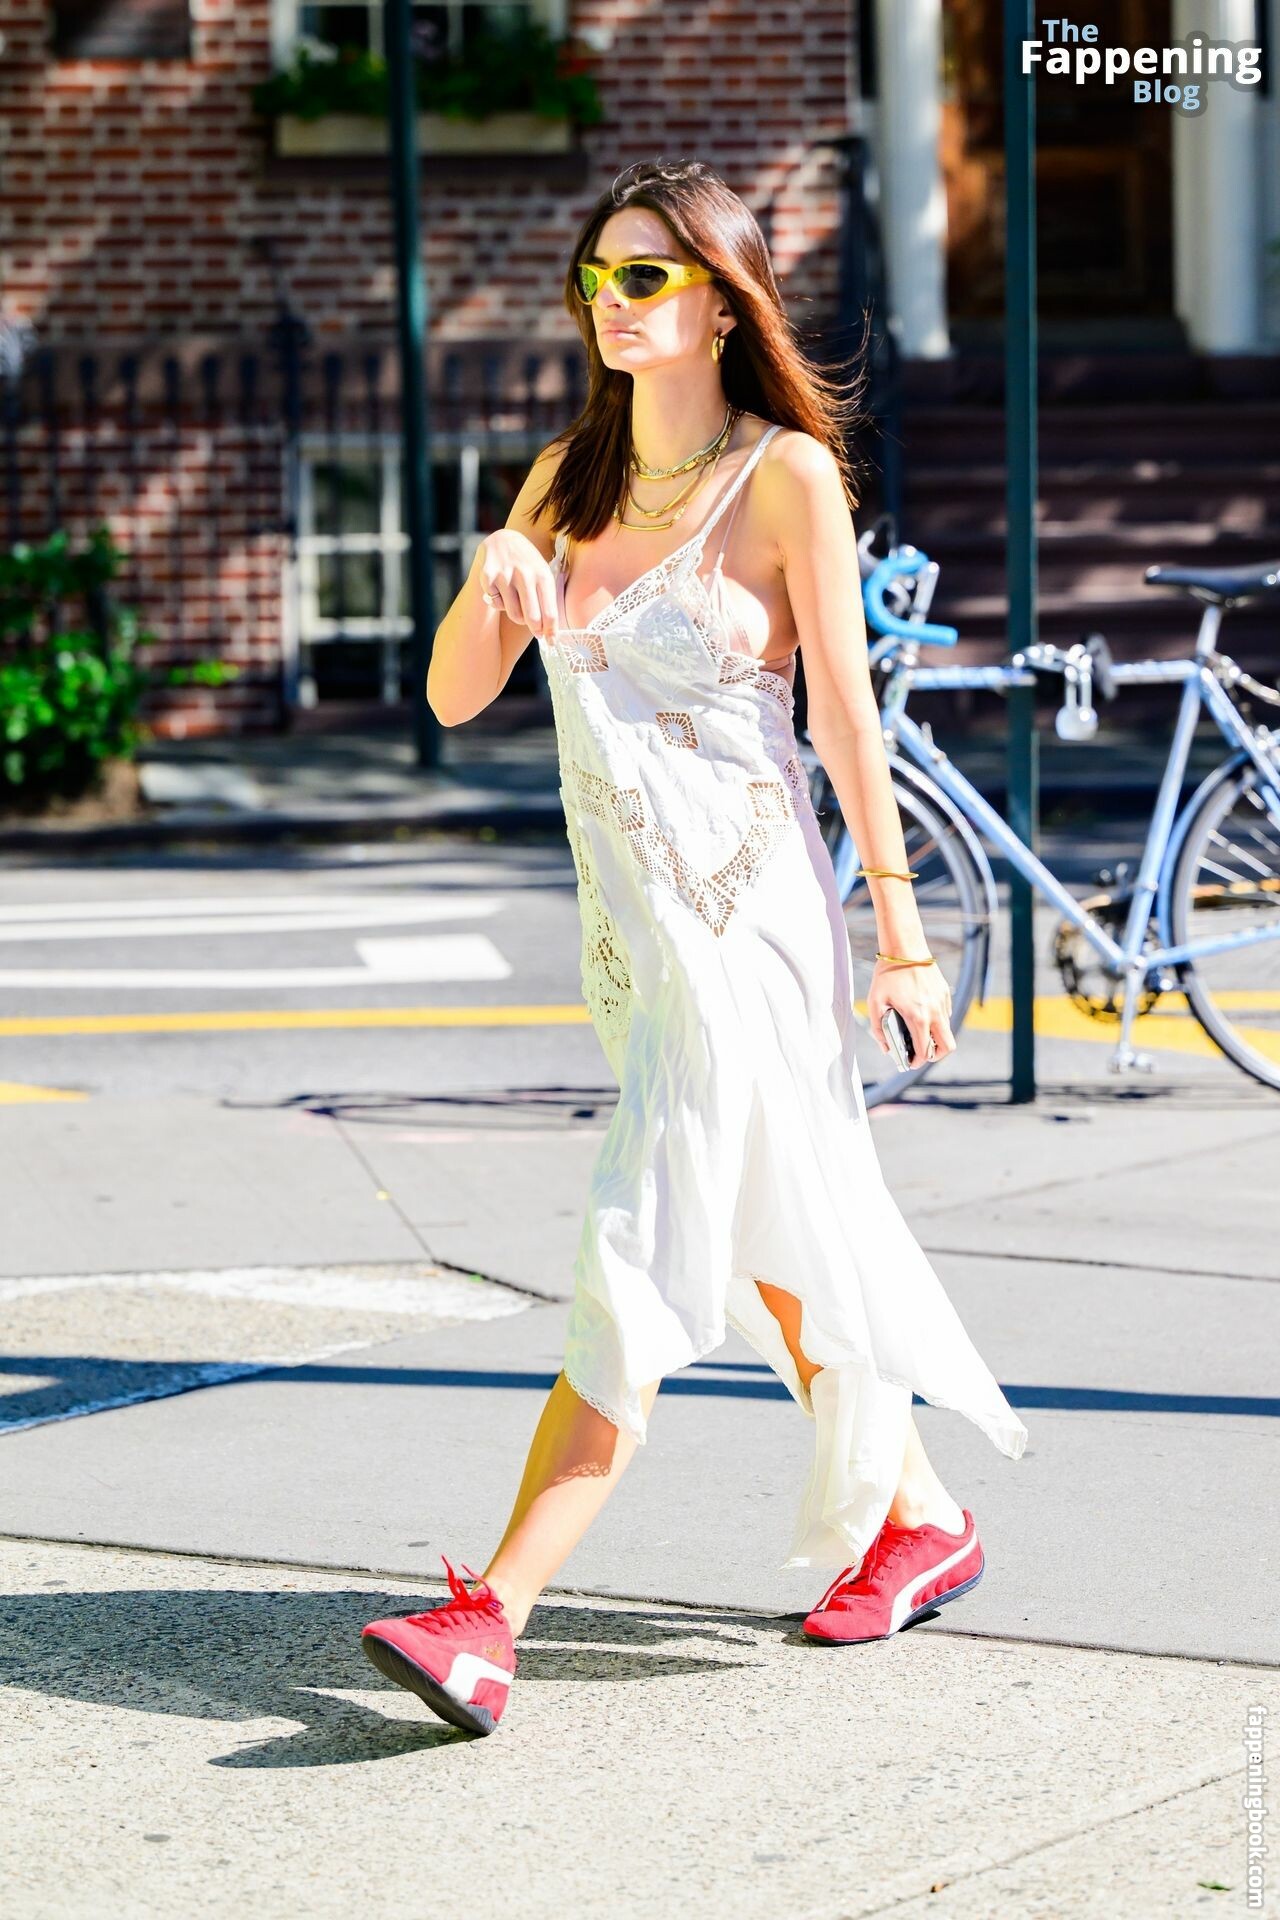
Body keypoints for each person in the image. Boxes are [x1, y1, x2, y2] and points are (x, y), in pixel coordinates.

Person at [360, 159, 1029, 1736]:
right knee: (770, 1233)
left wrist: (904, 938)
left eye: (647, 275)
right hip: (640, 938)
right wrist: (494, 575)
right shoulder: (563, 479)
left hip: (755, 926)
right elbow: (455, 694)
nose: (614, 299)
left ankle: (493, 1613)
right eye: (598, 276)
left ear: (724, 303)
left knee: (645, 1234)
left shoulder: (785, 476)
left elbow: (846, 719)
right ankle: (924, 1518)